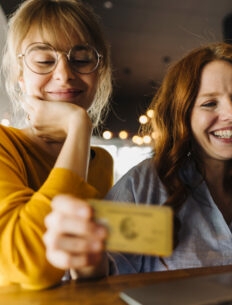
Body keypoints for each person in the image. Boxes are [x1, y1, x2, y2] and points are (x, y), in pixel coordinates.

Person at [43, 42, 232, 280]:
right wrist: (87, 259)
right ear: (182, 116)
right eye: (210, 103)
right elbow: (104, 272)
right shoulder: (146, 185)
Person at [0, 0, 113, 290]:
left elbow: (87, 268)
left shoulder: (100, 161)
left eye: (82, 58)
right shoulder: (4, 145)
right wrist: (78, 126)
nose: (64, 74)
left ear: (99, 72)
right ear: (20, 76)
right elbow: (32, 265)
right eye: (44, 60)